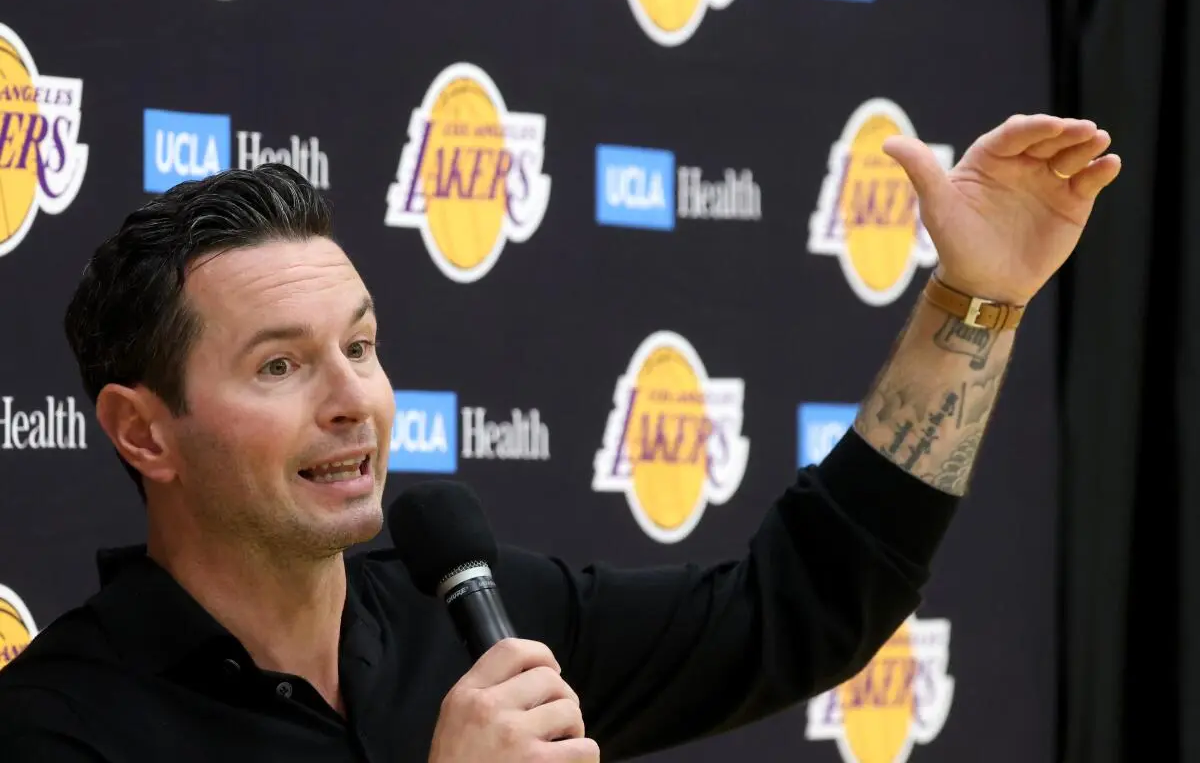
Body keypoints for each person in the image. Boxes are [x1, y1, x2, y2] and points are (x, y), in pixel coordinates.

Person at [0, 114, 1119, 762]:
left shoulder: (478, 619)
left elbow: (800, 606)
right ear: (144, 431)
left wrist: (977, 302)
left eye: (363, 345)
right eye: (280, 366)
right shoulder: (60, 725)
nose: (354, 400)